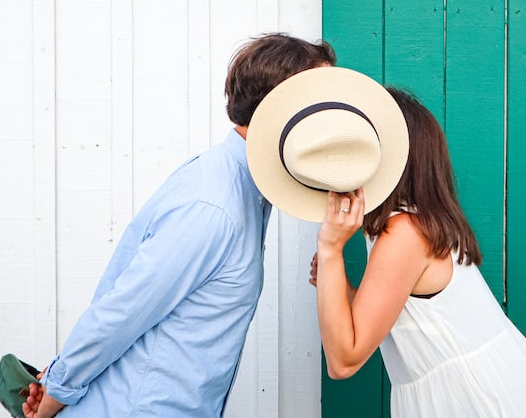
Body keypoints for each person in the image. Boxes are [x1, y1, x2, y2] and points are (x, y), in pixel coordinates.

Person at [21, 32, 336, 418]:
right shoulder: (213, 206)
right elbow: (124, 309)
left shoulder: (245, 188)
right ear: (279, 112)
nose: (330, 120)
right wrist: (56, 390)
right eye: (320, 105)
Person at [310, 87, 526, 417]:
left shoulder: (404, 231)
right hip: (489, 391)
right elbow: (415, 321)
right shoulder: (414, 222)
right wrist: (345, 293)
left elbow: (343, 361)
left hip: (480, 400)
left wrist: (331, 248)